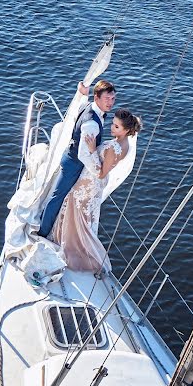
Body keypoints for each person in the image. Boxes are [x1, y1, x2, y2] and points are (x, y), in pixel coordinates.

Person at [49, 109, 142, 272]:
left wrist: (92, 149)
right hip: (92, 182)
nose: (112, 128)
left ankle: (76, 250)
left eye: (117, 127)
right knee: (80, 215)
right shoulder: (123, 143)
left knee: (76, 211)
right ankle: (70, 243)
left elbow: (101, 173)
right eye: (113, 124)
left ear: (126, 130)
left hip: (90, 182)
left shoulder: (115, 147)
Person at [38, 79, 117, 237]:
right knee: (58, 197)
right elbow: (83, 154)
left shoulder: (88, 106)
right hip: (74, 164)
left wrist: (82, 92)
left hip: (71, 158)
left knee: (60, 196)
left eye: (113, 98)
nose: (111, 102)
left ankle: (47, 224)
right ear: (97, 98)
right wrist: (98, 171)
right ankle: (42, 232)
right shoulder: (91, 124)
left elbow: (81, 103)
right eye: (107, 99)